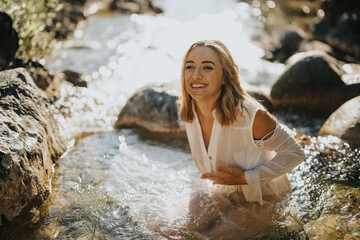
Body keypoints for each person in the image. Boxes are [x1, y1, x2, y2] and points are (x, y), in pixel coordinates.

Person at [178, 40, 306, 232]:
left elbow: (295, 153)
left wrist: (248, 178)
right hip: (222, 191)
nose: (196, 75)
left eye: (207, 67)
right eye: (190, 67)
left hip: (262, 198)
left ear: (224, 76)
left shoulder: (251, 116)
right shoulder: (187, 109)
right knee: (175, 231)